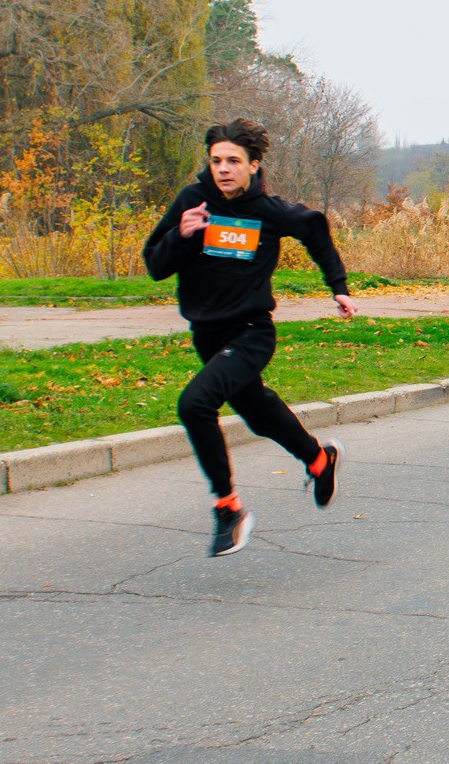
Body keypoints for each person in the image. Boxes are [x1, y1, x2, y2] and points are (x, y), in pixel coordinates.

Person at [143, 119, 356, 558]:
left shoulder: (269, 212)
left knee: (194, 403)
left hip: (251, 332)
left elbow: (315, 228)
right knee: (258, 414)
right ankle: (320, 460)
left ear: (253, 165)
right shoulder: (192, 202)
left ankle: (228, 509)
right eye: (216, 160)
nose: (223, 169)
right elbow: (155, 264)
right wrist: (182, 236)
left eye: (234, 161)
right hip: (207, 334)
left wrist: (338, 285)